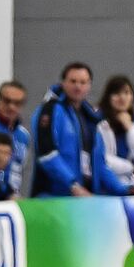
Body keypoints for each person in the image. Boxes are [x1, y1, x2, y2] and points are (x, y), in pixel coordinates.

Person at [31, 63, 102, 197]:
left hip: (85, 194)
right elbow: (47, 153)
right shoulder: (50, 111)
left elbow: (99, 160)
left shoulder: (90, 116)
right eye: (73, 81)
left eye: (83, 82)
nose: (78, 86)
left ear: (89, 85)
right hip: (54, 195)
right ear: (63, 82)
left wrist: (124, 189)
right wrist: (73, 185)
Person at [92, 75, 134, 195]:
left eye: (127, 93)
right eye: (117, 93)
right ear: (108, 97)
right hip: (105, 189)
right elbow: (99, 158)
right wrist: (129, 166)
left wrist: (129, 127)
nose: (122, 98)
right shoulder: (96, 121)